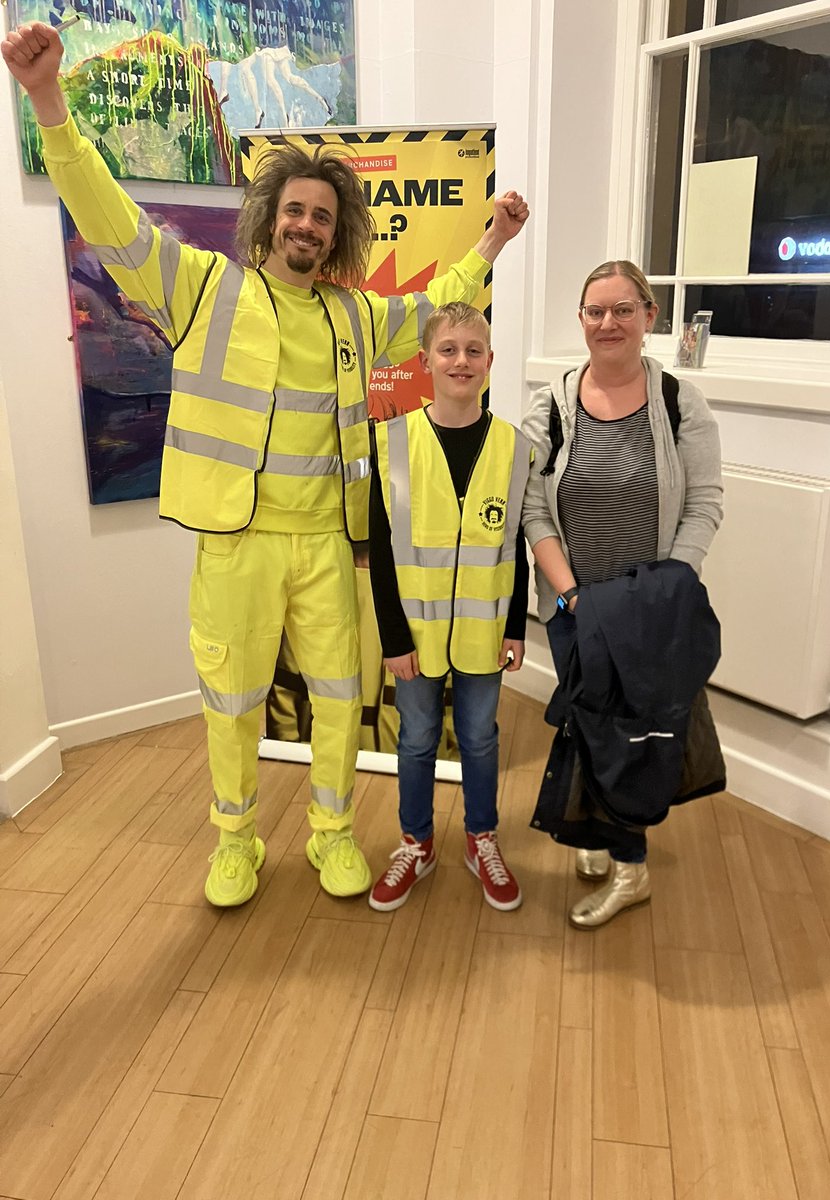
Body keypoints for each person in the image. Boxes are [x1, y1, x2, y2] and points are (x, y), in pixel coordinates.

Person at [2, 22, 529, 907]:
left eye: (324, 216)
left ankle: (329, 833)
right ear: (269, 215)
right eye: (296, 210)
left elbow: (436, 308)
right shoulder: (203, 287)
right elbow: (111, 221)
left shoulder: (355, 317)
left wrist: (493, 243)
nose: (308, 225)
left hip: (327, 543)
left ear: (339, 232)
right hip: (236, 544)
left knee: (333, 699)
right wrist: (49, 102)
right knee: (232, 700)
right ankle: (235, 840)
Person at [521, 261, 723, 928]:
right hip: (576, 606)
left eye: (622, 310)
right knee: (588, 725)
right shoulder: (549, 406)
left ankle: (631, 869)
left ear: (648, 317)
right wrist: (572, 593)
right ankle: (595, 835)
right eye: (594, 311)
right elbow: (533, 511)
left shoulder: (678, 404)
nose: (608, 323)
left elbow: (704, 506)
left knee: (636, 736)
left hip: (649, 616)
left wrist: (664, 591)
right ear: (580, 319)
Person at [367, 303, 532, 912]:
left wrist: (516, 625)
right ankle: (416, 842)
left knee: (481, 739)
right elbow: (382, 551)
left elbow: (515, 541)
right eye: (448, 349)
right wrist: (393, 639)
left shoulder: (515, 448)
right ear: (425, 361)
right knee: (415, 741)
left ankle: (481, 838)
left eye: (473, 351)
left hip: (485, 636)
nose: (460, 361)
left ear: (489, 362)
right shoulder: (393, 443)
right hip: (414, 634)